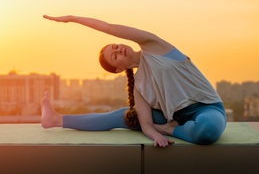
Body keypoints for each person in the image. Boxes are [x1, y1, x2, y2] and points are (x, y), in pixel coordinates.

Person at [41, 15, 226, 147]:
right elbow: (146, 124)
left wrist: (72, 18)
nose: (119, 50)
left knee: (207, 131)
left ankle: (171, 129)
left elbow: (109, 27)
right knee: (125, 116)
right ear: (120, 70)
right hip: (175, 117)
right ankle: (56, 119)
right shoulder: (139, 86)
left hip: (207, 108)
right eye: (114, 56)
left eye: (115, 46)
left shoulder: (153, 46)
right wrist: (155, 136)